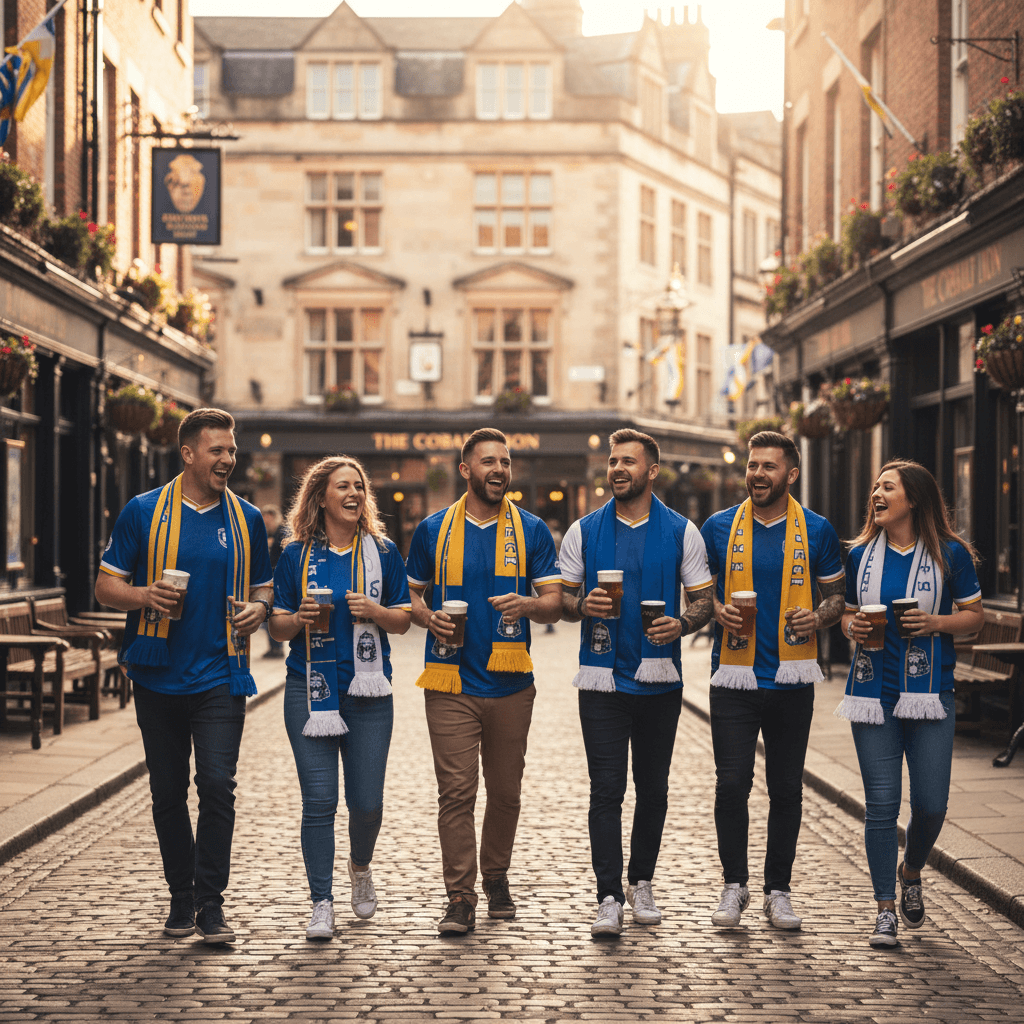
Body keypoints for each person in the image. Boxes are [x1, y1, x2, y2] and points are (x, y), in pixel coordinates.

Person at [95, 408, 273, 944]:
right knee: (168, 792)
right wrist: (145, 595)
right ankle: (182, 896)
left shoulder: (247, 519)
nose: (228, 460)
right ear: (189, 453)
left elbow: (264, 587)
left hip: (222, 674)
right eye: (217, 450)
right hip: (156, 674)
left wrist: (260, 612)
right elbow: (105, 588)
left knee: (217, 786)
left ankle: (211, 904)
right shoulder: (143, 512)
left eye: (232, 451)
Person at [406, 427, 561, 934]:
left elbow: (555, 601)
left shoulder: (532, 530)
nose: (499, 470)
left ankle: (496, 876)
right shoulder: (432, 529)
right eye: (488, 461)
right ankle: (460, 897)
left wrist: (530, 605)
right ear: (465, 470)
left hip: (511, 685)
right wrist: (427, 617)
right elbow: (410, 597)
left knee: (506, 793)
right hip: (449, 683)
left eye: (506, 461)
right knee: (456, 793)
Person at [560, 429, 713, 936]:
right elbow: (561, 600)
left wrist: (684, 624)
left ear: (652, 471)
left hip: (659, 681)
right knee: (606, 790)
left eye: (629, 461)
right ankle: (608, 896)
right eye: (612, 460)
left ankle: (640, 880)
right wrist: (582, 605)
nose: (617, 468)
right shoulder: (582, 530)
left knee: (653, 790)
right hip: (601, 682)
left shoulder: (681, 531)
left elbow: (703, 599)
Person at [700, 430, 845, 931]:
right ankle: (734, 886)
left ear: (792, 473)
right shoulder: (718, 527)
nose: (757, 474)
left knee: (786, 789)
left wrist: (819, 619)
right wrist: (716, 609)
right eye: (752, 465)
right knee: (732, 784)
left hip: (791, 679)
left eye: (768, 467)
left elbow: (836, 597)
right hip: (733, 680)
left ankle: (777, 891)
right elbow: (699, 596)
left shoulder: (818, 530)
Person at [837, 460, 983, 948]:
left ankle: (911, 868)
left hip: (930, 696)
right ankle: (884, 910)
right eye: (875, 486)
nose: (876, 493)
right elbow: (850, 615)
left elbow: (975, 617)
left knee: (931, 805)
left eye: (887, 487)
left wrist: (937, 624)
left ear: (914, 498)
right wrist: (850, 627)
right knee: (881, 805)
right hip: (872, 695)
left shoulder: (951, 554)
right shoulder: (859, 555)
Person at [269, 456, 411, 941]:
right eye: (342, 487)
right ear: (320, 497)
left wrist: (375, 609)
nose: (353, 494)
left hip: (370, 693)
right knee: (319, 801)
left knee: (367, 803)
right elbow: (278, 625)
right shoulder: (295, 556)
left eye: (358, 486)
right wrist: (300, 619)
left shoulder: (384, 552)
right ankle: (321, 902)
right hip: (308, 690)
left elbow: (403, 617)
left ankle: (360, 864)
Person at [261, 505, 289, 658]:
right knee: (269, 614)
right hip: (273, 579)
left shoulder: (281, 533)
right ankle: (274, 647)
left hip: (276, 581)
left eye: (266, 519)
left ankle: (277, 648)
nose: (265, 522)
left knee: (272, 614)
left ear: (273, 517)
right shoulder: (274, 533)